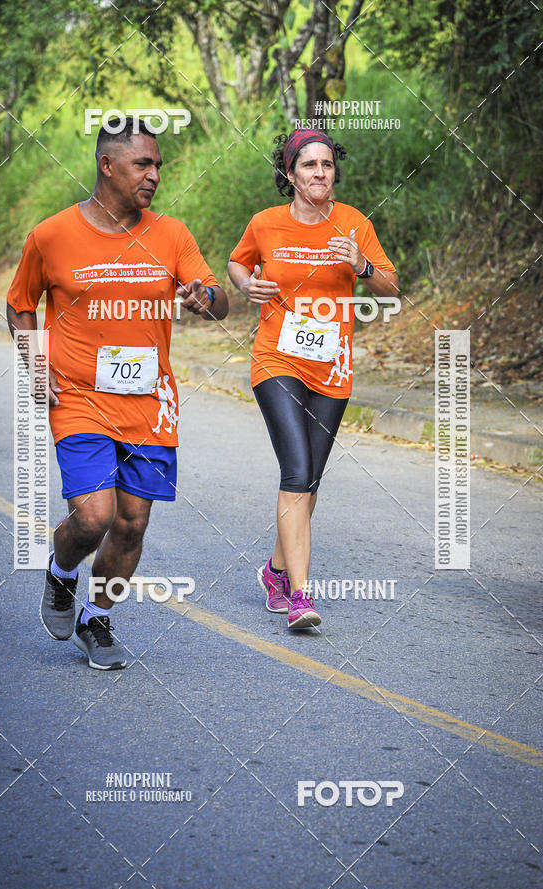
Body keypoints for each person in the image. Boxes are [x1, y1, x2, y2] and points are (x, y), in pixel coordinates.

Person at [7, 117, 228, 670]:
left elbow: (218, 298)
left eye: (158, 165)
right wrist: (36, 364)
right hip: (80, 396)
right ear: (108, 166)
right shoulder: (51, 235)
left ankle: (96, 620)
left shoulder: (171, 233)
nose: (154, 174)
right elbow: (19, 304)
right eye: (142, 164)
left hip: (150, 403)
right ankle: (62, 574)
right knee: (93, 517)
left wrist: (207, 298)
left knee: (131, 522)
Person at [228, 129, 397, 630]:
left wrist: (361, 265)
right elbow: (238, 262)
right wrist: (248, 285)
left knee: (311, 479)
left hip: (332, 364)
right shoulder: (266, 224)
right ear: (289, 174)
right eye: (308, 165)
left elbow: (390, 287)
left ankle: (276, 570)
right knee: (296, 472)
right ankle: (302, 595)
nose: (319, 172)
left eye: (326, 165)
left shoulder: (352, 223)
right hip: (277, 358)